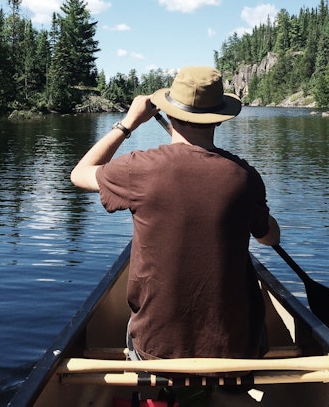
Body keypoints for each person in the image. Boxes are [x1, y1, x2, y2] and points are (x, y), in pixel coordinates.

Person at [70, 65, 281, 360]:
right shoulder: (245, 177)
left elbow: (79, 174)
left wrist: (128, 124)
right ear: (219, 119)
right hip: (235, 351)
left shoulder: (139, 168)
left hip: (156, 350)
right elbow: (270, 238)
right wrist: (258, 212)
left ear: (169, 114)